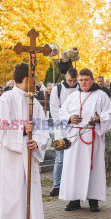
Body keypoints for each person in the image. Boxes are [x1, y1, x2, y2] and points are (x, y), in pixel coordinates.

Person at [0, 62, 49, 219]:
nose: (36, 83)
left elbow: (43, 128)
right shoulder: (6, 100)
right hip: (12, 157)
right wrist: (22, 131)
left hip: (29, 155)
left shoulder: (35, 102)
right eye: (34, 79)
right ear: (26, 79)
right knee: (11, 195)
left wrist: (37, 142)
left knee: (27, 195)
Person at [59, 69, 111, 212]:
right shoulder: (73, 96)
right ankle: (74, 199)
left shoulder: (101, 96)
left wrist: (99, 119)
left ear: (92, 80)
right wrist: (69, 118)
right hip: (74, 138)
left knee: (93, 168)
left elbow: (110, 115)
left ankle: (93, 200)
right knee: (74, 168)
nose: (83, 82)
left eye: (86, 79)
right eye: (81, 80)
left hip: (92, 137)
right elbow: (62, 112)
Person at [48, 67, 79, 197]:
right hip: (61, 127)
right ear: (65, 77)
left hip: (77, 126)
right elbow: (55, 109)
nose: (72, 83)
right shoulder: (57, 89)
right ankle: (57, 185)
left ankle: (73, 184)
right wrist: (66, 121)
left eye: (74, 81)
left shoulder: (80, 89)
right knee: (60, 158)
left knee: (75, 157)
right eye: (70, 80)